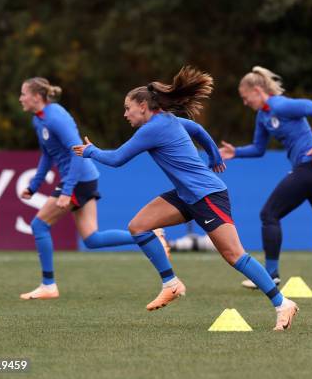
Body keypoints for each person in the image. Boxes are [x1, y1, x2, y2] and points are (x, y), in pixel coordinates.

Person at [73, 66, 299, 331]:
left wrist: (90, 152)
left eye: (127, 108)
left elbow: (117, 159)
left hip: (207, 196)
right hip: (186, 195)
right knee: (139, 226)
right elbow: (196, 128)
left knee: (235, 256)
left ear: (144, 106)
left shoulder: (152, 129)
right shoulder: (166, 120)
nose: (125, 114)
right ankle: (171, 283)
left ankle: (283, 303)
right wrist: (213, 155)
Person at [18, 77, 169, 300]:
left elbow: (76, 151)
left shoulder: (56, 117)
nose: (21, 98)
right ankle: (151, 234)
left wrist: (68, 190)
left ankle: (48, 284)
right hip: (82, 179)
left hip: (78, 179)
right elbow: (48, 155)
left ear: (37, 97)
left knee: (39, 225)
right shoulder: (38, 120)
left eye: (24, 94)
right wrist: (34, 186)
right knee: (92, 239)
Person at [220, 66, 312, 288]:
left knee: (269, 214)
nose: (244, 102)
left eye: (245, 97)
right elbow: (259, 148)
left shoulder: (281, 104)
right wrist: (236, 152)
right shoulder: (262, 116)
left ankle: (270, 275)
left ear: (257, 90)